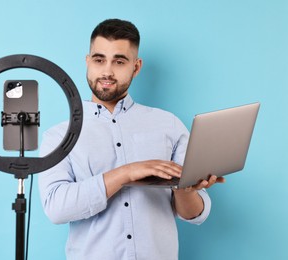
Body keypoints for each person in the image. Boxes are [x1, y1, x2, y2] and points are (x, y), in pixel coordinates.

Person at [38, 18, 224, 260]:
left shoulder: (169, 124)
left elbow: (196, 213)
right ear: (87, 62)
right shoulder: (59, 136)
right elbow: (56, 208)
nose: (107, 71)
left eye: (119, 61)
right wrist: (126, 173)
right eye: (99, 60)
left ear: (136, 67)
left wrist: (186, 190)